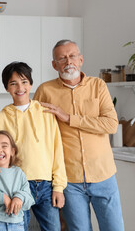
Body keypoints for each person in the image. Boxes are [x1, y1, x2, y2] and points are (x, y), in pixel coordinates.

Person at [34, 39, 124, 231]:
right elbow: (35, 130)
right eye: (62, 58)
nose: (68, 62)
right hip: (69, 180)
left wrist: (68, 118)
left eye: (72, 56)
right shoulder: (45, 91)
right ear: (54, 64)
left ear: (81, 59)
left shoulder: (98, 86)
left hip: (103, 175)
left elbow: (111, 124)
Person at [0, 62, 67, 231]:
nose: (20, 87)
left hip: (46, 186)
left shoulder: (46, 113)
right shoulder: (1, 117)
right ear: (7, 88)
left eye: (24, 81)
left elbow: (58, 151)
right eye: (13, 83)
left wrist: (59, 187)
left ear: (31, 84)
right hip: (15, 186)